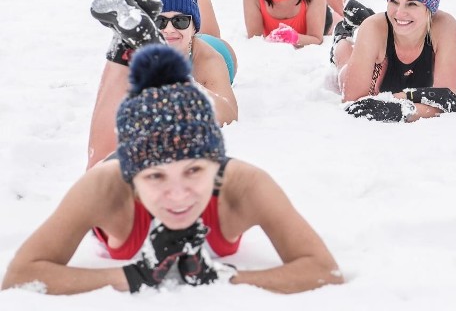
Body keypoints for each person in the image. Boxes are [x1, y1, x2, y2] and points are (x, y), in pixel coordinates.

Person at [2, 45, 343, 295]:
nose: (178, 194)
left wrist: (225, 277)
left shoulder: (244, 185)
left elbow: (323, 270)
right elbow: (19, 276)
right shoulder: (105, 186)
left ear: (216, 163)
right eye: (155, 176)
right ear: (132, 175)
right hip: (115, 172)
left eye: (194, 170)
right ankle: (120, 52)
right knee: (96, 158)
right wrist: (131, 276)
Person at [84, 0, 238, 170]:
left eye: (181, 21)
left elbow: (229, 113)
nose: (169, 29)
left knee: (211, 33)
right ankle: (121, 45)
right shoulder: (151, 46)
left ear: (193, 27)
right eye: (160, 23)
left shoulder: (210, 59)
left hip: (214, 47)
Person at [330, 0, 456, 123]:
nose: (399, 13)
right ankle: (343, 34)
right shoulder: (373, 29)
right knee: (344, 62)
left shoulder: (444, 26)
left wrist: (402, 107)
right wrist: (422, 103)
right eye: (394, 1)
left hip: (387, 53)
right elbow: (355, 105)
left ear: (430, 8)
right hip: (377, 56)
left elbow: (449, 101)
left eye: (412, 4)